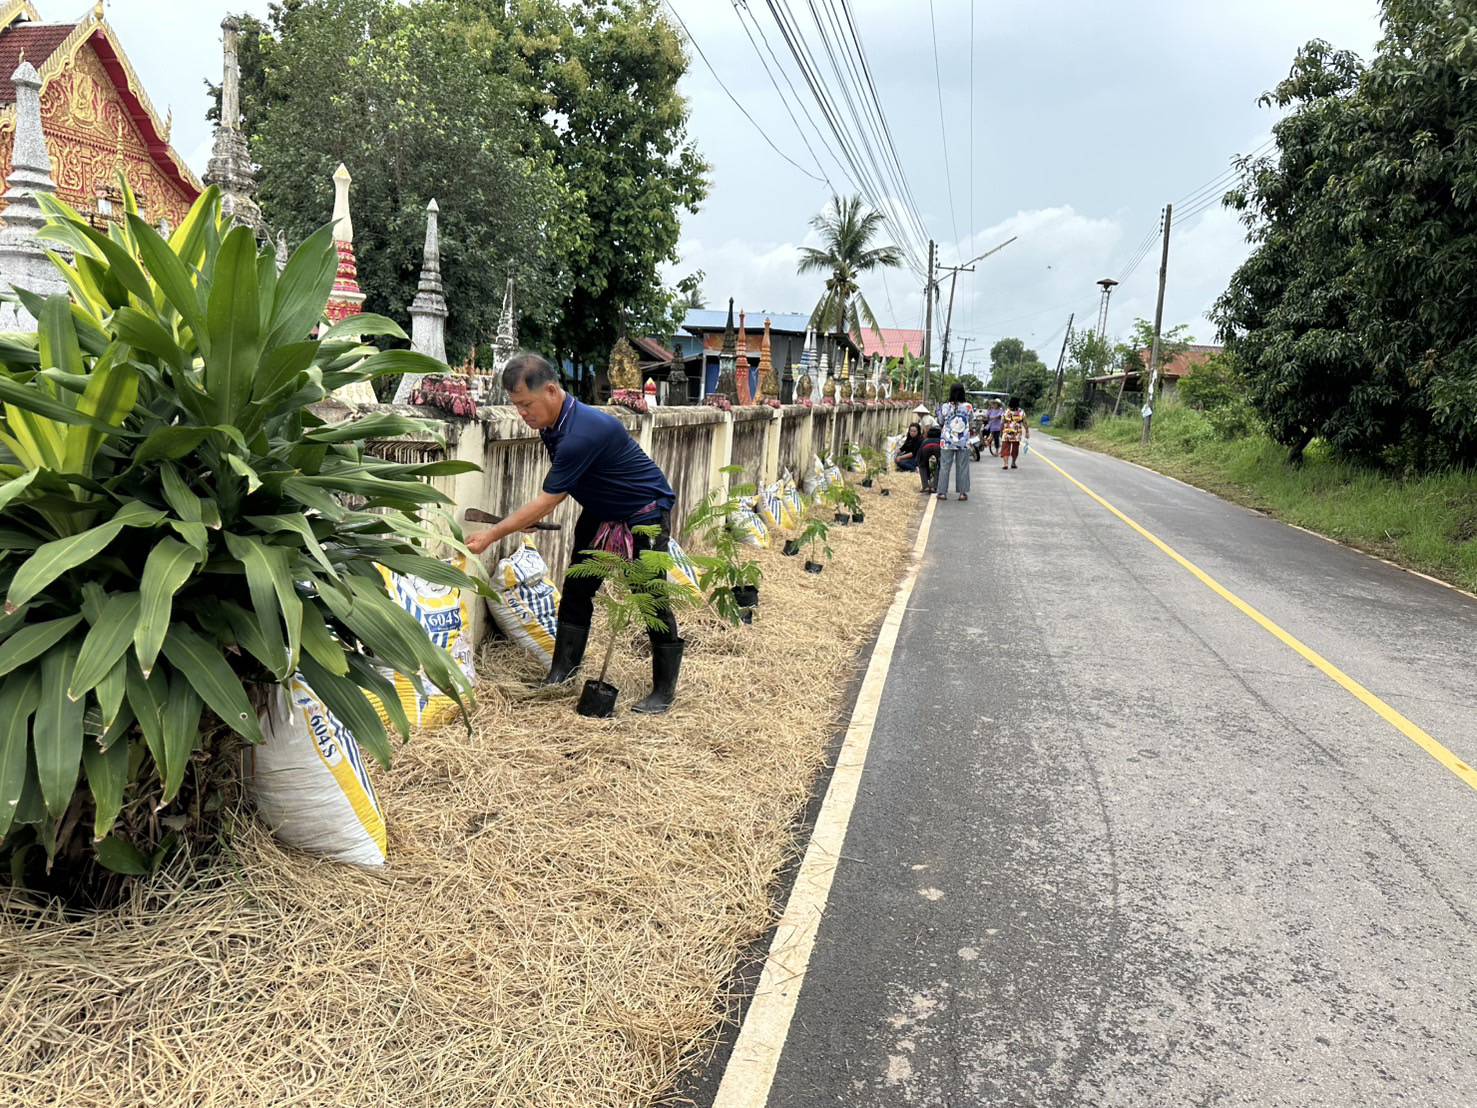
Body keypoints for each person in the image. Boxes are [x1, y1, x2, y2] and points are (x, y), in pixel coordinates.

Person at [466, 353, 684, 714]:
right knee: (578, 586)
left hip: (643, 512)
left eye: (526, 404)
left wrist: (492, 535)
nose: (522, 414)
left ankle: (663, 690)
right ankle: (562, 671)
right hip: (601, 510)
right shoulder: (555, 424)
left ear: (551, 390)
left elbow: (547, 500)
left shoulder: (581, 433)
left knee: (649, 595)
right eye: (517, 406)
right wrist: (525, 518)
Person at [934, 383, 974, 501]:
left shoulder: (945, 406)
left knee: (945, 466)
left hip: (947, 441)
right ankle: (962, 493)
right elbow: (971, 421)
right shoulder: (968, 407)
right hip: (963, 441)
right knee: (963, 467)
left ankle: (942, 492)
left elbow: (940, 420)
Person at [1000, 396, 1029, 470]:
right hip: (1017, 434)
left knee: (1005, 448)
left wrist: (1001, 431)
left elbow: (1002, 422)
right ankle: (1013, 463)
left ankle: (1005, 464)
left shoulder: (1006, 411)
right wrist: (1027, 432)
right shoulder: (1021, 412)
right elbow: (1025, 422)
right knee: (1015, 449)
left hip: (1006, 433)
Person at [916, 424, 942, 492]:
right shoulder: (940, 440)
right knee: (940, 466)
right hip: (938, 446)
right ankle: (934, 486)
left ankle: (925, 486)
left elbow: (919, 456)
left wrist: (919, 462)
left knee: (922, 466)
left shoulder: (925, 440)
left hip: (925, 447)